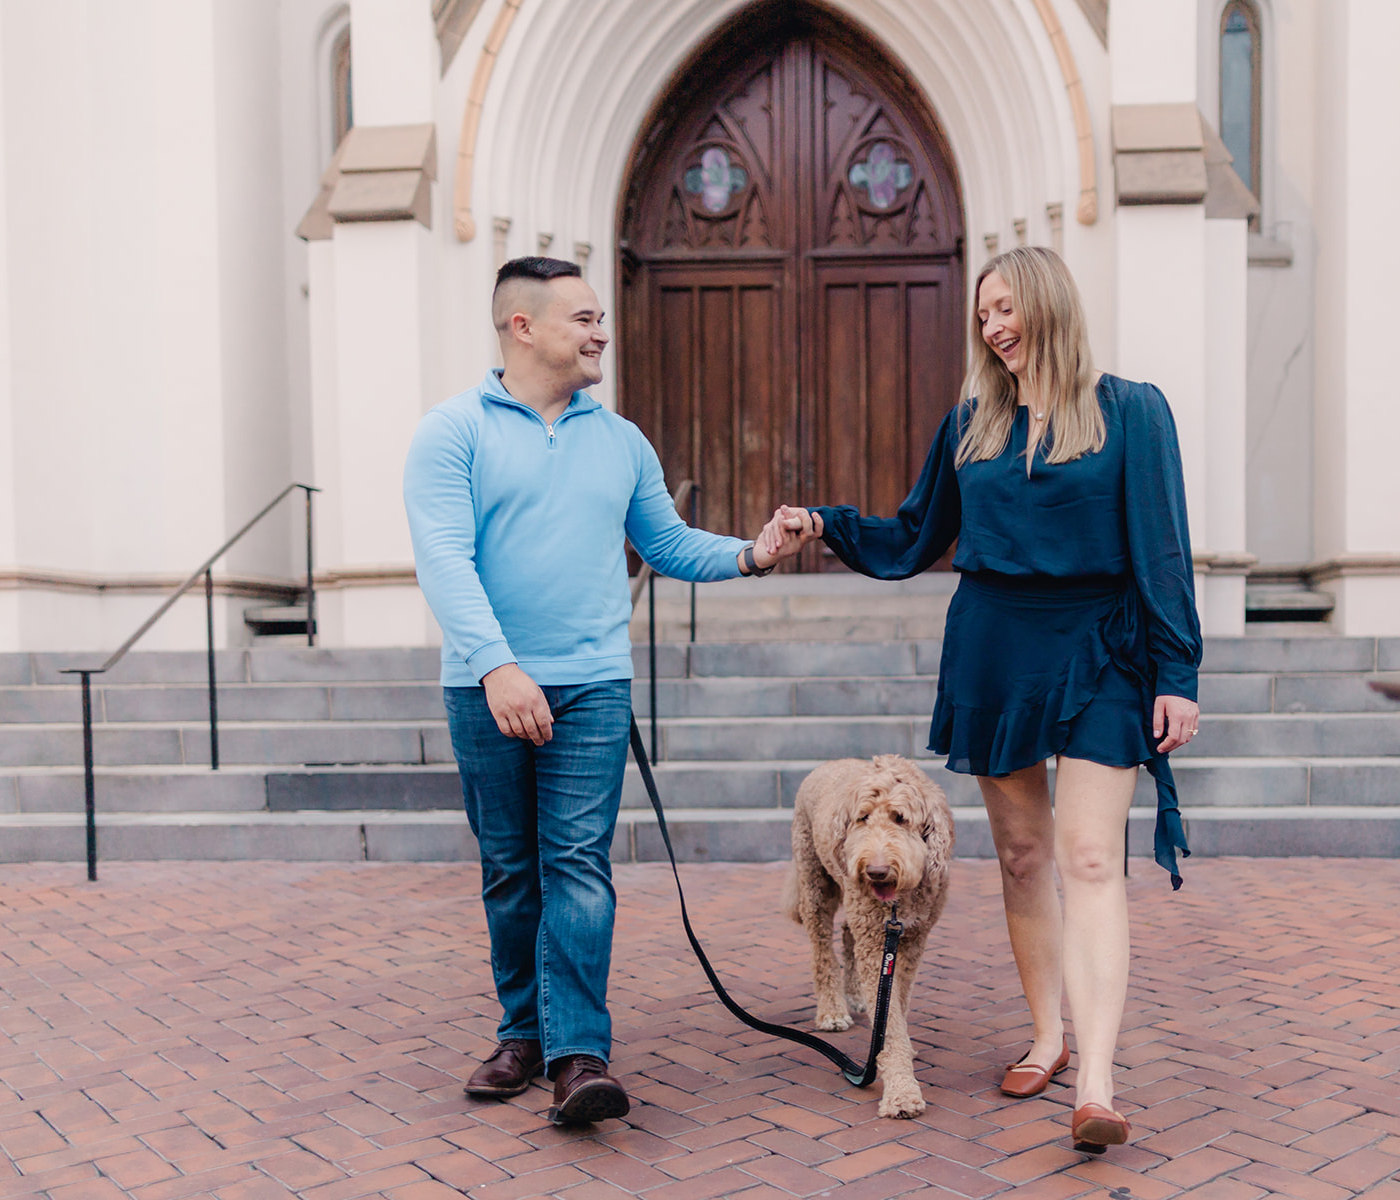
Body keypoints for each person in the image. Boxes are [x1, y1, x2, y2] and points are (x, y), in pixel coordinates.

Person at [771, 246, 1201, 1149]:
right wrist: (825, 524)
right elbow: (911, 534)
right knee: (1020, 857)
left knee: (1089, 858)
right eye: (983, 315)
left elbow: (1163, 550)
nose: (994, 326)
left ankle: (1096, 1081)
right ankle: (1046, 1035)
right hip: (997, 651)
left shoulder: (1132, 412)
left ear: (1046, 303)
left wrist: (1177, 672)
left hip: (1105, 651)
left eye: (1006, 306)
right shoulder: (971, 425)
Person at [404, 256, 813, 1125]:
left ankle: (579, 1053)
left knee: (578, 866)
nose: (602, 333)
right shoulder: (452, 431)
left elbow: (664, 542)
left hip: (592, 685)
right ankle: (523, 1033)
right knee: (511, 872)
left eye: (601, 319)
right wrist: (497, 665)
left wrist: (750, 552)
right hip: (487, 684)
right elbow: (443, 557)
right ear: (523, 326)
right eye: (584, 318)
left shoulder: (620, 439)